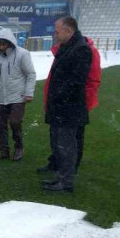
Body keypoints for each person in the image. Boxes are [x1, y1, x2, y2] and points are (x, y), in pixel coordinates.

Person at [41, 16, 92, 193]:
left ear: (68, 31)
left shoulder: (81, 50)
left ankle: (66, 182)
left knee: (67, 147)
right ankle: (60, 178)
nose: (55, 34)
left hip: (69, 108)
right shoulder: (67, 47)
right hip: (59, 107)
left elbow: (76, 81)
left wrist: (59, 97)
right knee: (59, 146)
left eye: (57, 31)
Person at [40, 32, 101, 174]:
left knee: (74, 137)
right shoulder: (63, 50)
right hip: (58, 101)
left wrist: (85, 101)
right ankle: (56, 162)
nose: (56, 36)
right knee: (55, 135)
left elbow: (93, 80)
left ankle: (70, 168)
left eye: (58, 32)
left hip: (75, 103)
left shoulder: (87, 51)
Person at [0, 28, 37, 161]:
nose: (1, 47)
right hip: (1, 98)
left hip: (18, 96)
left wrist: (29, 93)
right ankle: (3, 151)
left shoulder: (23, 54)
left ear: (10, 43)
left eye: (3, 44)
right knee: (0, 126)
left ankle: (19, 148)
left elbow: (31, 74)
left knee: (15, 122)